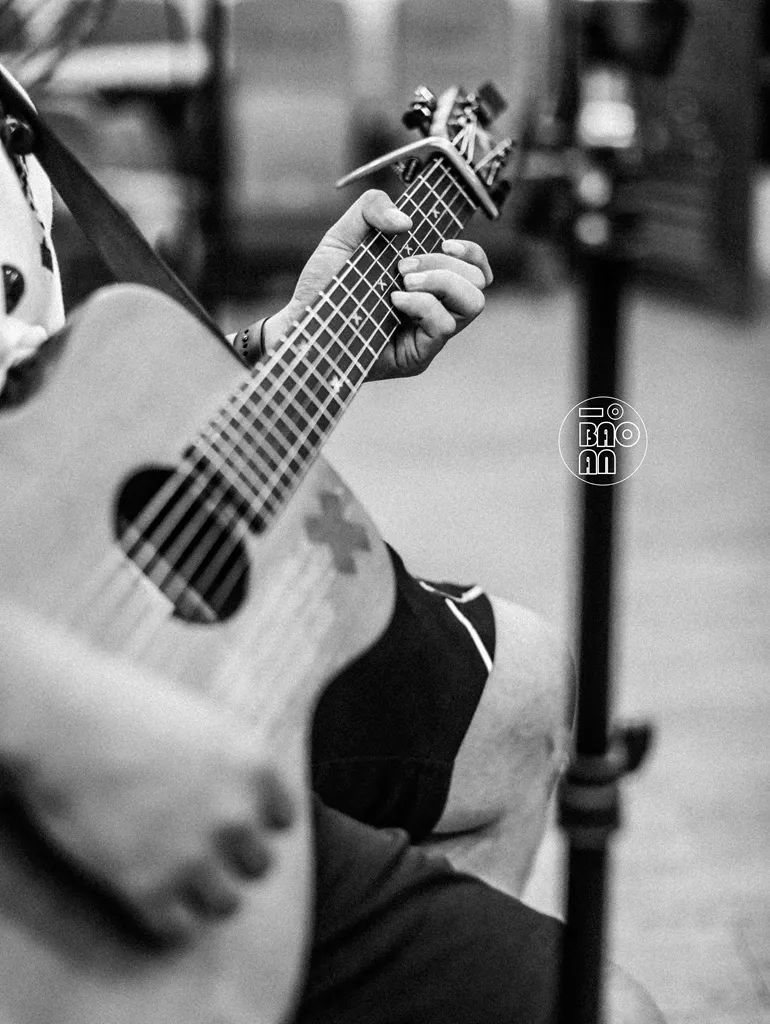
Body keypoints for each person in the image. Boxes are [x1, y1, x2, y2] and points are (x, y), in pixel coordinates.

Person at [0, 60, 664, 1023]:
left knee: (523, 685)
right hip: (44, 714)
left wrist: (291, 343)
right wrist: (62, 725)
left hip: (78, 579)